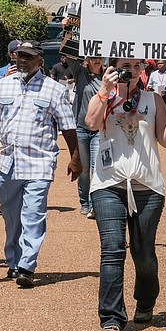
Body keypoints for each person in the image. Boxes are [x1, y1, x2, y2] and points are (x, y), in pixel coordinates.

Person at [0, 41, 81, 288]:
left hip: (39, 162)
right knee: (11, 217)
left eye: (28, 57)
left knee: (33, 214)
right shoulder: (1, 86)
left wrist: (75, 157)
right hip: (8, 163)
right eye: (19, 56)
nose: (22, 61)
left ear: (40, 61)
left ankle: (27, 266)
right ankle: (14, 262)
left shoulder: (53, 90)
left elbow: (68, 126)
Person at [84, 58, 166, 331]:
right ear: (111, 68)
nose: (133, 71)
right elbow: (90, 123)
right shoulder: (103, 95)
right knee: (112, 250)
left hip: (147, 186)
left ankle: (146, 299)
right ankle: (112, 318)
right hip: (108, 184)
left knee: (144, 253)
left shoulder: (153, 99)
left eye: (138, 66)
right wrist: (105, 89)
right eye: (126, 65)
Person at [67, 55, 104, 218]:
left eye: (100, 57)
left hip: (99, 130)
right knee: (83, 169)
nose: (97, 60)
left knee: (97, 168)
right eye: (93, 57)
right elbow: (68, 55)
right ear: (86, 59)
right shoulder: (80, 73)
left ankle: (94, 204)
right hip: (80, 128)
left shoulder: (107, 76)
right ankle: (85, 202)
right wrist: (69, 30)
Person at [0, 39, 20, 215]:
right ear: (10, 54)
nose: (18, 55)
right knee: (3, 162)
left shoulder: (30, 71)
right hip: (3, 123)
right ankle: (3, 200)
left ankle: (18, 199)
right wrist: (5, 77)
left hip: (22, 123)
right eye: (15, 52)